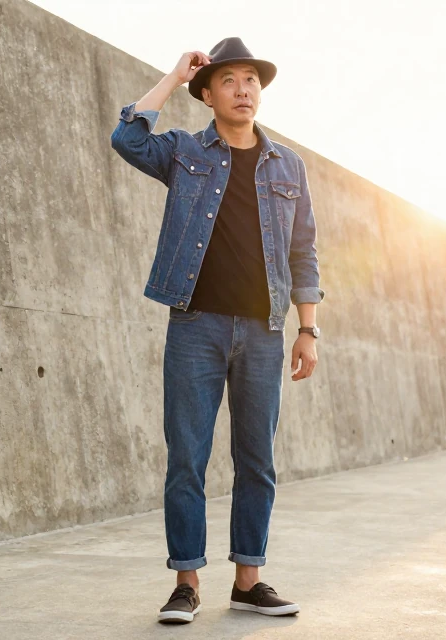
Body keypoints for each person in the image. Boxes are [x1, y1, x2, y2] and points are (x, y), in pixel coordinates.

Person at [109, 37, 325, 624]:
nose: (244, 89)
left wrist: (309, 330)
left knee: (257, 459)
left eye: (252, 80)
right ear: (208, 95)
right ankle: (187, 583)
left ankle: (248, 581)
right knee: (188, 457)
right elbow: (127, 138)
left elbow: (303, 251)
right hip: (195, 327)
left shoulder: (289, 166)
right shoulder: (184, 151)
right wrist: (173, 76)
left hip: (264, 331)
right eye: (229, 80)